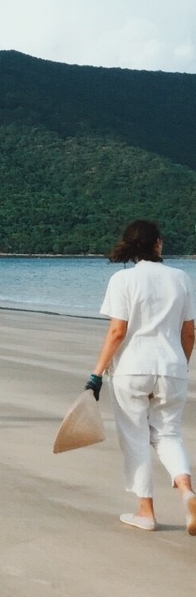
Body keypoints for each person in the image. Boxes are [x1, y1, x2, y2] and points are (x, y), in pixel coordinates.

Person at [87, 220, 196, 534]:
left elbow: (117, 331)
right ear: (159, 243)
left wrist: (96, 374)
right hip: (172, 369)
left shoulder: (123, 280)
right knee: (169, 434)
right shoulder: (182, 278)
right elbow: (189, 333)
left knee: (135, 437)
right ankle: (187, 491)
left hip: (132, 370)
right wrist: (179, 366)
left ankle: (146, 513)